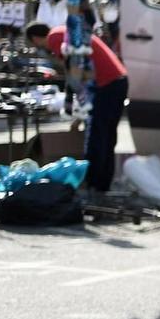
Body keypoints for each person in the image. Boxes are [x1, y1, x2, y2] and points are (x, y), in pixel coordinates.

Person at [28, 20, 129, 195]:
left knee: (96, 138)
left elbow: (74, 72)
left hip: (105, 84)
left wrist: (77, 112)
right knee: (107, 136)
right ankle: (102, 185)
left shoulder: (54, 38)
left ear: (35, 38)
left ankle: (93, 185)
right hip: (118, 80)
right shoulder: (62, 31)